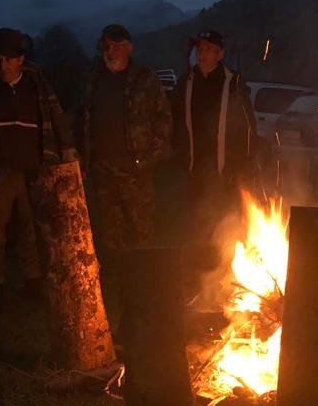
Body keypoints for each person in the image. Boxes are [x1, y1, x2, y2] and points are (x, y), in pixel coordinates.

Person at [0, 27, 77, 313]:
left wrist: (68, 155)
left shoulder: (37, 86)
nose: (2, 65)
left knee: (31, 230)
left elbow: (57, 121)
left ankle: (33, 283)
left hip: (34, 170)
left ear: (20, 59)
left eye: (8, 59)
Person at [74, 24, 171, 279]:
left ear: (129, 48)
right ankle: (117, 278)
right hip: (101, 167)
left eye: (117, 45)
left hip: (135, 168)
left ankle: (144, 278)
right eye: (106, 45)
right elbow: (80, 118)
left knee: (142, 226)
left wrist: (148, 158)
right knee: (109, 227)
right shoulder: (92, 78)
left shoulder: (144, 79)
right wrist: (82, 156)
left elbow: (163, 120)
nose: (110, 50)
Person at [174, 29, 256, 273]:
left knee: (223, 224)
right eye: (200, 49)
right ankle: (198, 279)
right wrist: (181, 157)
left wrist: (242, 166)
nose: (202, 54)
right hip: (194, 167)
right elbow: (176, 122)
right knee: (196, 224)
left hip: (224, 170)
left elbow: (248, 128)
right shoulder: (186, 82)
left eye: (209, 49)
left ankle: (223, 276)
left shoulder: (233, 83)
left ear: (220, 54)